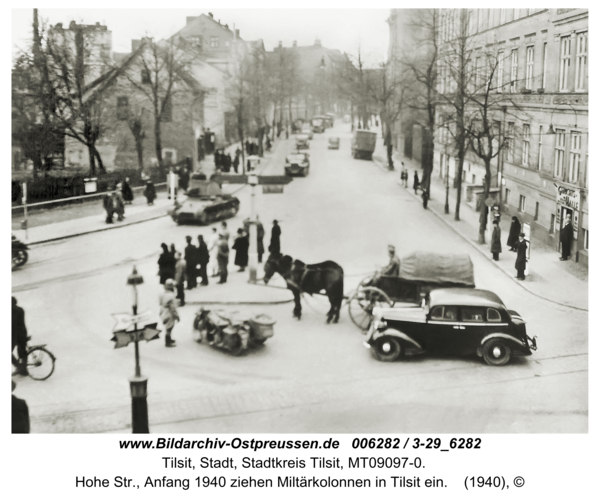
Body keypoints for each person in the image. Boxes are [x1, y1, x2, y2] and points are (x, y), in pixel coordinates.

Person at [159, 279, 179, 347]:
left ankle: (169, 339)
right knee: (169, 327)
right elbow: (173, 308)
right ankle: (167, 342)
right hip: (169, 313)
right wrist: (177, 316)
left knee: (167, 326)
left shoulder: (162, 294)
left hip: (163, 311)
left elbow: (160, 303)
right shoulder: (171, 295)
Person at [12, 297, 28, 376]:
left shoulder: (14, 311)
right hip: (22, 333)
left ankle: (19, 367)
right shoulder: (20, 309)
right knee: (22, 351)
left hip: (16, 335)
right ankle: (23, 370)